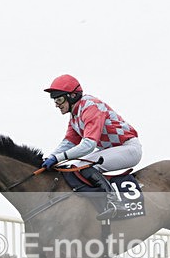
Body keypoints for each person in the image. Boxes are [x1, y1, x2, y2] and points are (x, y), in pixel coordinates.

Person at [42, 74, 142, 220]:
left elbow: (89, 145)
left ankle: (114, 203)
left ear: (72, 96)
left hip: (129, 148)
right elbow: (69, 142)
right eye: (54, 100)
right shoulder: (75, 116)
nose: (56, 104)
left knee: (83, 166)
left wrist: (57, 158)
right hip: (112, 150)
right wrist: (50, 157)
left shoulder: (90, 107)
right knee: (74, 166)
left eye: (59, 99)